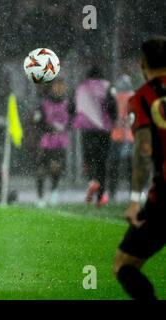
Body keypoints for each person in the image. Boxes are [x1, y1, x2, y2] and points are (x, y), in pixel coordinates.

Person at [113, 36, 166, 300]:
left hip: (164, 197)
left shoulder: (143, 98)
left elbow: (144, 151)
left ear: (142, 64)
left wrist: (134, 200)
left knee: (123, 265)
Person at [73, 66, 117, 207]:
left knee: (89, 158)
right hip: (104, 129)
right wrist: (113, 120)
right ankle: (101, 196)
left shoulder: (81, 87)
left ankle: (92, 180)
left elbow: (72, 106)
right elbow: (112, 107)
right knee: (102, 162)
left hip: (86, 129)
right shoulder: (107, 86)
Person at [32, 78, 70, 207]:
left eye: (61, 86)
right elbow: (37, 122)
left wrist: (64, 127)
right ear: (51, 88)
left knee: (56, 167)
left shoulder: (67, 103)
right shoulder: (44, 104)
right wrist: (50, 128)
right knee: (41, 170)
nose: (59, 89)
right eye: (57, 86)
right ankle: (40, 197)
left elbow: (72, 119)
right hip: (46, 141)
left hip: (61, 141)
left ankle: (54, 191)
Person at [107, 75, 134, 202]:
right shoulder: (133, 97)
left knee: (114, 167)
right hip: (129, 137)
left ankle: (113, 193)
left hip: (117, 136)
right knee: (130, 168)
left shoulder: (115, 97)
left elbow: (110, 112)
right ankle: (133, 193)